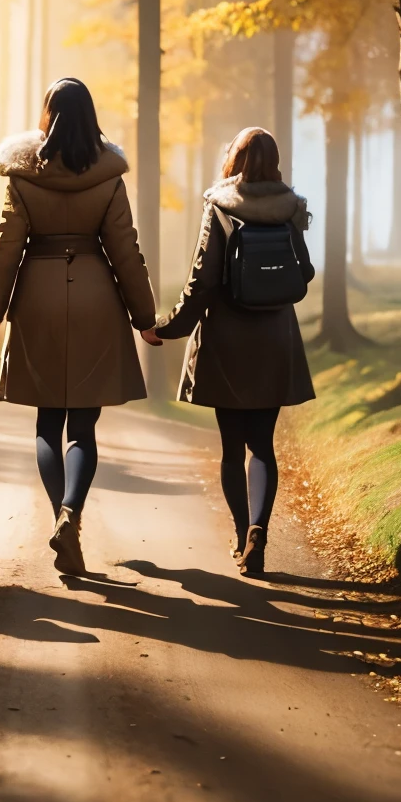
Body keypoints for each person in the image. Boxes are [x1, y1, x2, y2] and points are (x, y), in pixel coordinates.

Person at [0, 77, 158, 576]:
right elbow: (126, 249)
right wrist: (144, 318)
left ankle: (60, 517)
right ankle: (72, 515)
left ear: (48, 113)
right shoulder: (108, 176)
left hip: (37, 297)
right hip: (97, 299)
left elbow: (6, 248)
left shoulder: (23, 174)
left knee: (46, 425)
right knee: (83, 428)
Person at [143, 126, 315, 579]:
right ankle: (260, 529)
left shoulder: (219, 206)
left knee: (231, 448)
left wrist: (168, 328)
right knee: (263, 446)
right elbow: (307, 271)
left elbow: (202, 279)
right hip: (275, 339)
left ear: (232, 161)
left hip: (226, 341)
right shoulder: (291, 207)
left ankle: (242, 537)